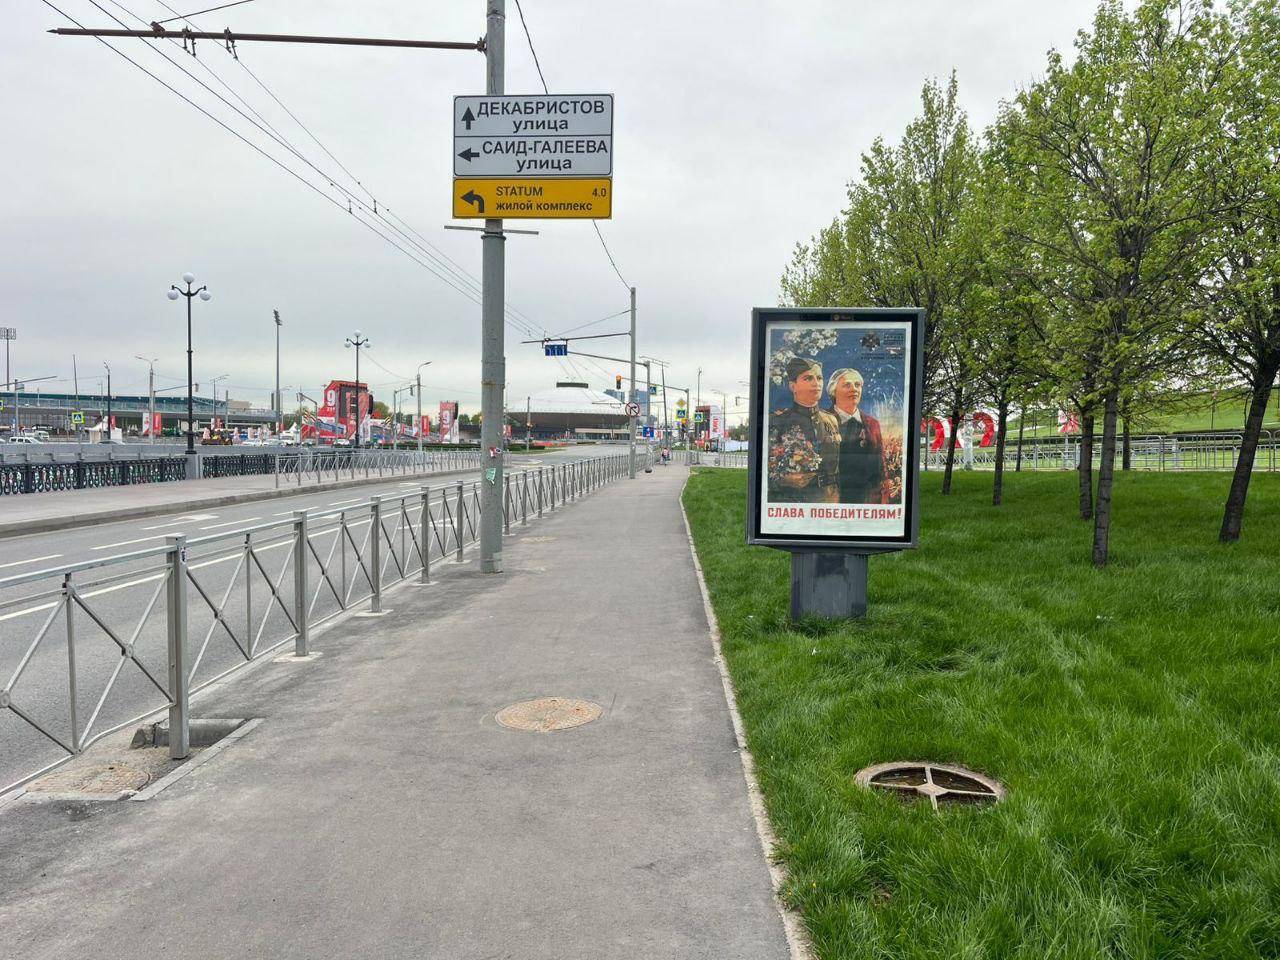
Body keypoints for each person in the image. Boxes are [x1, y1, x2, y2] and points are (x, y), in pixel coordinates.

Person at [768, 357, 840, 502]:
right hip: (793, 501)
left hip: (829, 500)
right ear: (792, 386)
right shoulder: (777, 421)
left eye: (819, 378)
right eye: (808, 378)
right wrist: (783, 480)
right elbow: (763, 469)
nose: (816, 384)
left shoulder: (831, 420)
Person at [827, 368, 885, 504]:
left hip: (866, 501)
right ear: (833, 391)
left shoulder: (873, 424)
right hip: (833, 500)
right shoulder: (822, 420)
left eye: (857, 385)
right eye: (847, 385)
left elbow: (880, 468)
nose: (854, 389)